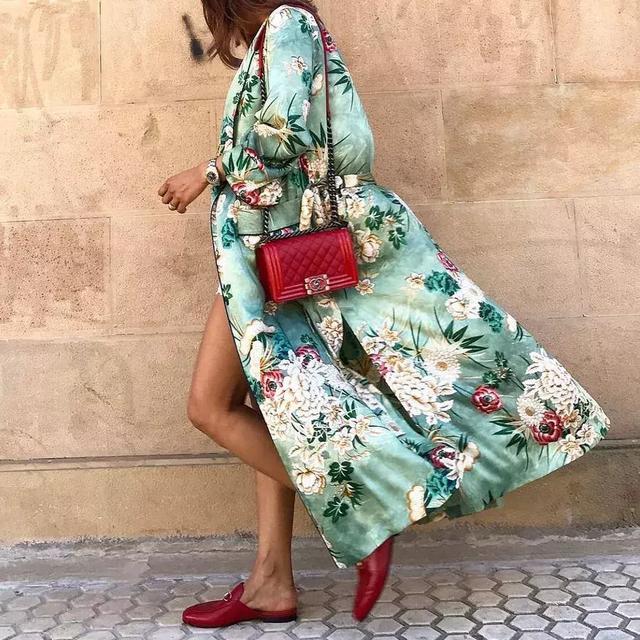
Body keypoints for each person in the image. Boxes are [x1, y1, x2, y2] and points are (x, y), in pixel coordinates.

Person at [157, 0, 611, 629]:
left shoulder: (287, 23)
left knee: (209, 406)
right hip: (271, 253)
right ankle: (271, 581)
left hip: (283, 256)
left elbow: (288, 135)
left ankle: (374, 509)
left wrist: (208, 170)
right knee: (270, 409)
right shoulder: (277, 33)